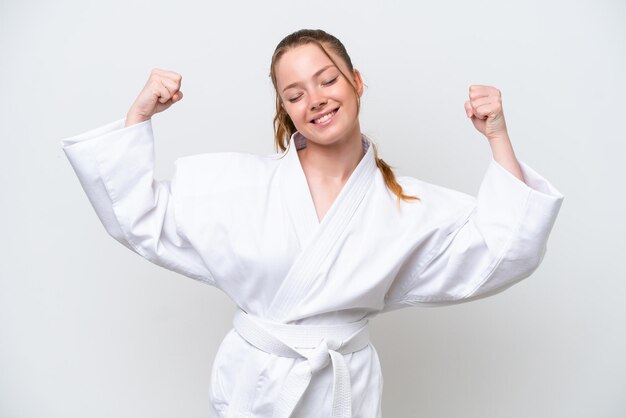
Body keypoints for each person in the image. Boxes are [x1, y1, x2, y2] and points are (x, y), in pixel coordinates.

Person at [61, 29, 564, 418]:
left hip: (343, 390)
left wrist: (497, 134)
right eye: (295, 93)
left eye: (327, 79)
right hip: (254, 390)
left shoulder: (406, 205)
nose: (316, 99)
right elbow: (137, 217)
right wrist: (139, 113)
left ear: (356, 81)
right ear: (284, 107)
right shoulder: (239, 188)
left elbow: (501, 252)